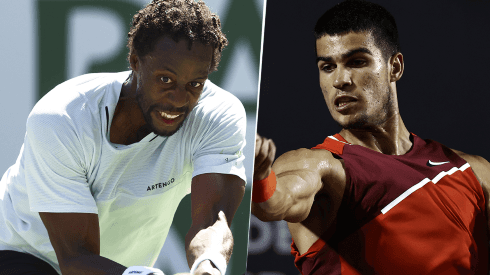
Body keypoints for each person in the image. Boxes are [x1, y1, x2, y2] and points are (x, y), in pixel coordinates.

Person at [0, 1, 247, 274]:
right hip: (22, 252)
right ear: (134, 62)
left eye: (194, 84)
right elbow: (76, 257)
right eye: (165, 80)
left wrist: (208, 267)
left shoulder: (219, 115)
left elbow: (211, 222)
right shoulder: (62, 119)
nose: (178, 99)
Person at [252, 0, 490, 274]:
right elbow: (274, 203)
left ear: (395, 67)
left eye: (356, 62)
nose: (340, 80)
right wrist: (260, 178)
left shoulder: (472, 172)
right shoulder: (325, 167)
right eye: (327, 67)